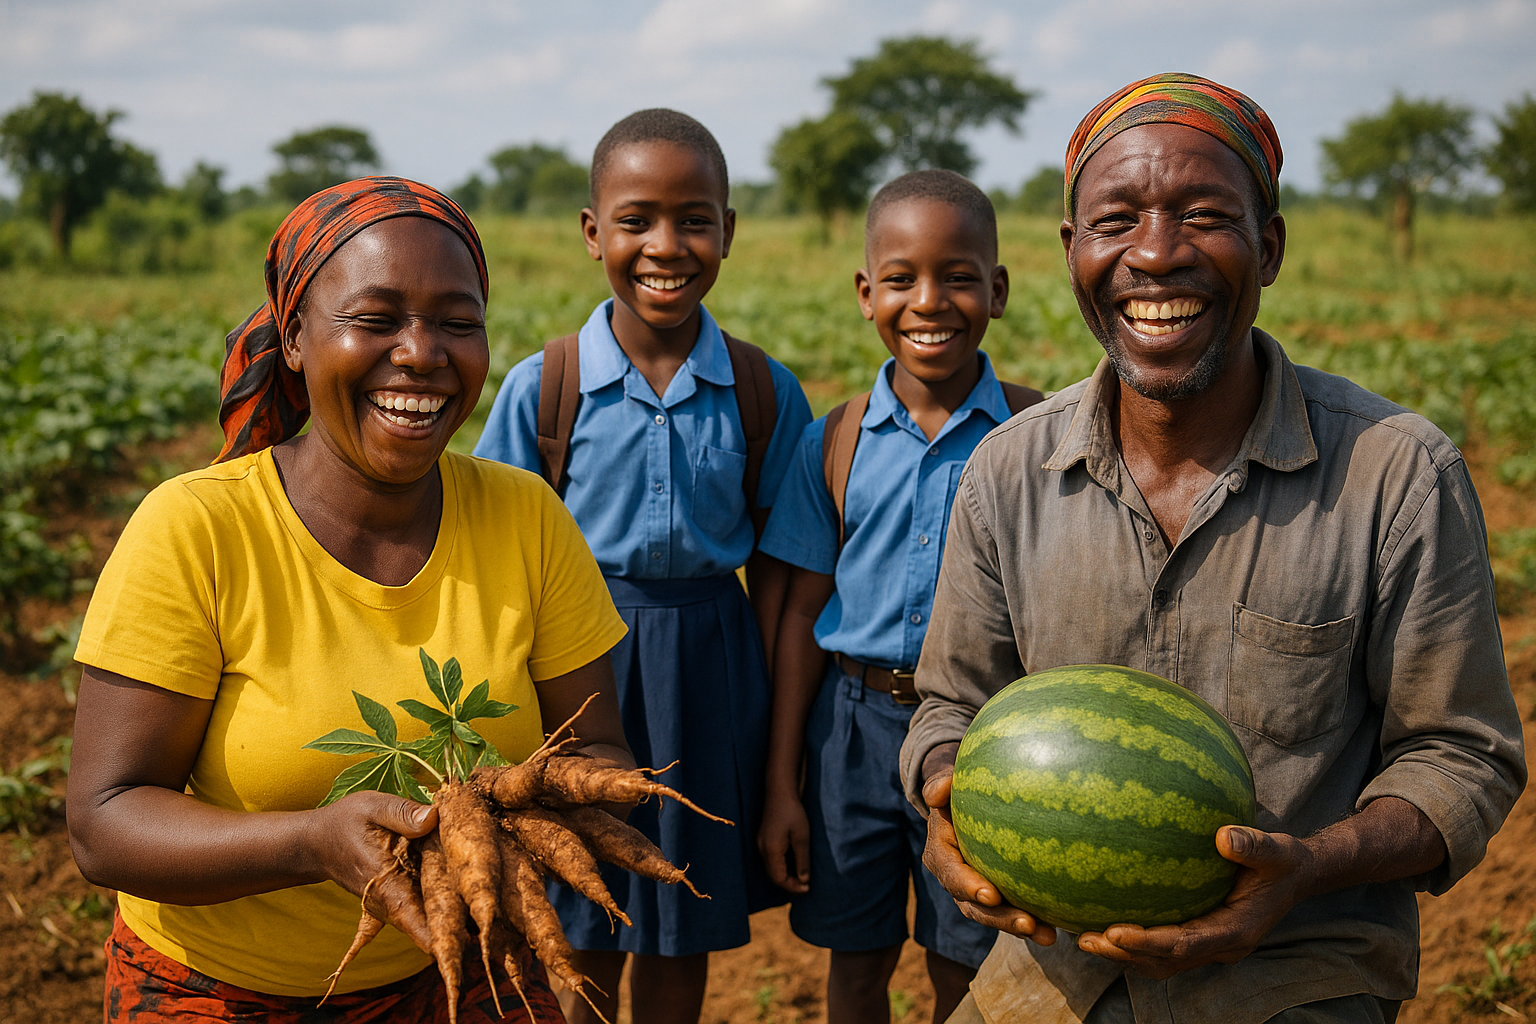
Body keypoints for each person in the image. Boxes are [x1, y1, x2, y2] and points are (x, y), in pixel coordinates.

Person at [899, 73, 1527, 1024]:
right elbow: (951, 704)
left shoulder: (1396, 475)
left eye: (1202, 215)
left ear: (1267, 247)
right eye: (1117, 220)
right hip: (1054, 976)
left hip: (1298, 969)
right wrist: (945, 802)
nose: (1156, 254)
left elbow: (1462, 755)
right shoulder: (1006, 473)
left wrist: (1308, 867)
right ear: (1074, 251)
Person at [66, 176, 633, 1023]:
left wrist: (498, 825)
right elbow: (103, 823)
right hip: (220, 994)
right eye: (375, 319)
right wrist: (308, 842)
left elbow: (599, 750)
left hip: (468, 969)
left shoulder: (527, 518)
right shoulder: (196, 529)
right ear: (294, 337)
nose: (420, 353)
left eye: (457, 322)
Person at [473, 108, 813, 1024]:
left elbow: (786, 574)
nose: (667, 244)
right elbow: (493, 554)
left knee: (681, 911)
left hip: (712, 667)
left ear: (729, 232)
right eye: (637, 220)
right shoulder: (545, 388)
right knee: (580, 906)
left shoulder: (761, 389)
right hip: (578, 676)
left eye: (695, 218)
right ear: (594, 234)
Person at [754, 170, 1037, 1024]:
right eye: (903, 278)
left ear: (997, 290)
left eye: (958, 277)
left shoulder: (1034, 438)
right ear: (865, 293)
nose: (930, 301)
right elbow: (802, 615)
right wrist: (783, 782)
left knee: (967, 956)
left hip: (984, 732)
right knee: (858, 955)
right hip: (850, 728)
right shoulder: (830, 441)